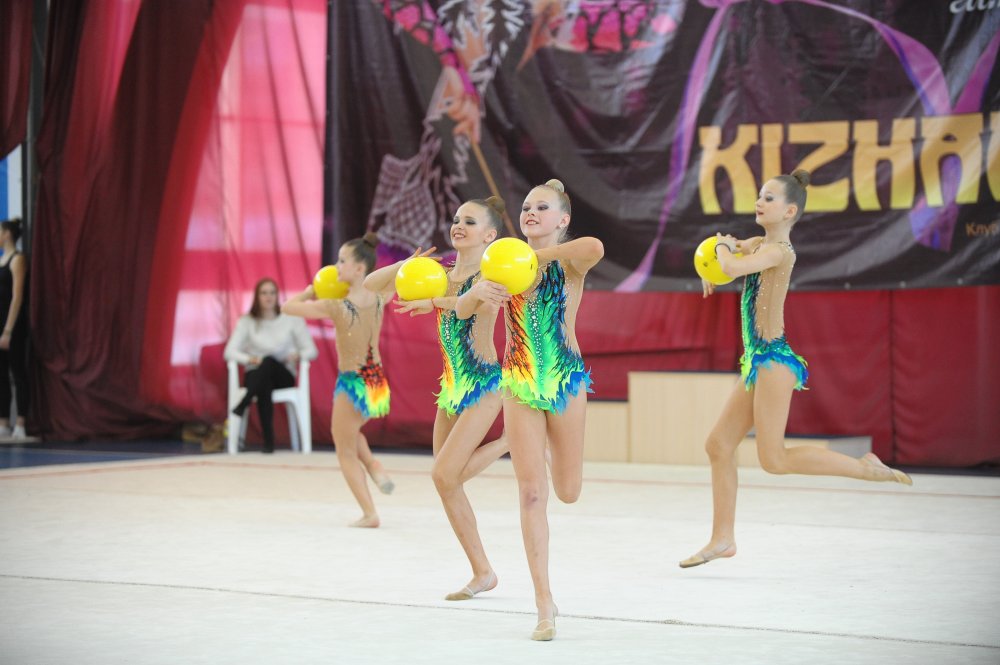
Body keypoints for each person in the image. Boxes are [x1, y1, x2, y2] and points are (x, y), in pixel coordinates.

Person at [679, 169, 912, 570]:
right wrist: (712, 264)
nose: (759, 201)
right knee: (718, 445)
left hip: (774, 360)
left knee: (775, 460)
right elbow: (728, 257)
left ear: (789, 211)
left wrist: (722, 249)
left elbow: (731, 264)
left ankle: (864, 467)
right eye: (759, 195)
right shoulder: (759, 244)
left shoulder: (780, 251)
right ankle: (722, 539)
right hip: (758, 362)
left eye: (769, 198)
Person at [457, 179, 603, 641]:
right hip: (518, 385)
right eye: (525, 207)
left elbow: (595, 246)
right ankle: (544, 602)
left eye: (542, 207)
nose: (531, 213)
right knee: (531, 495)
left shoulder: (569, 261)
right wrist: (479, 294)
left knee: (568, 491)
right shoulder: (501, 263)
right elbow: (461, 310)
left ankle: (542, 449)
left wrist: (534, 257)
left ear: (562, 219)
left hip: (565, 382)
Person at [364, 196, 509, 601]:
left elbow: (465, 308)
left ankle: (508, 442)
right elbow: (371, 285)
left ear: (490, 235)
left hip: (484, 383)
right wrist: (404, 265)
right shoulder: (440, 274)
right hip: (451, 387)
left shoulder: (493, 274)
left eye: (470, 221)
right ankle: (483, 572)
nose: (458, 225)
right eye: (457, 219)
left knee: (444, 475)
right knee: (447, 482)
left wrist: (432, 302)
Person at [283, 233, 395, 528]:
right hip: (376, 383)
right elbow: (395, 280)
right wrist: (408, 263)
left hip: (352, 383)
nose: (336, 266)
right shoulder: (379, 299)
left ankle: (369, 513)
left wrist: (310, 291)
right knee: (351, 431)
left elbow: (288, 307)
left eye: (342, 261)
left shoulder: (335, 305)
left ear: (359, 269)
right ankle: (374, 466)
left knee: (344, 448)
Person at [224, 277, 318, 453]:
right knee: (263, 376)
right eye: (264, 293)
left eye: (272, 293)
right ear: (257, 296)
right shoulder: (246, 322)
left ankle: (244, 403)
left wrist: (297, 355)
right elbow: (229, 352)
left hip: (283, 375)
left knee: (268, 362)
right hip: (256, 373)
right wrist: (251, 359)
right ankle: (268, 443)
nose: (268, 297)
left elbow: (312, 351)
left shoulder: (292, 319)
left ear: (277, 295)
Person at [0, 218, 28, 439]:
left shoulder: (18, 260)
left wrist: (8, 330)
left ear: (7, 234)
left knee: (18, 373)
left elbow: (17, 297)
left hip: (14, 327)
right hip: (0, 326)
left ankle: (20, 422)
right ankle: (3, 422)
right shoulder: (1, 261)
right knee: (1, 375)